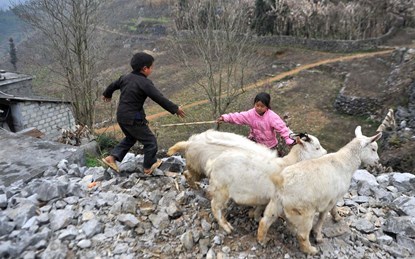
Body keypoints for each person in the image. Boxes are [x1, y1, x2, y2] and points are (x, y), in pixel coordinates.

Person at [101, 52, 185, 175]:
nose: (152, 69)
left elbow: (113, 85)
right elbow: (159, 98)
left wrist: (107, 94)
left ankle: (112, 157)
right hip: (133, 118)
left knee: (131, 138)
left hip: (121, 116)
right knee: (150, 141)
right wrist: (175, 109)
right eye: (151, 67)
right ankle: (148, 166)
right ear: (145, 68)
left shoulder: (124, 77)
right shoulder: (144, 83)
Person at [216, 92, 294, 150]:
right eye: (257, 105)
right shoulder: (250, 114)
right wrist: (225, 118)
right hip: (255, 142)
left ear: (267, 106)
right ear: (254, 104)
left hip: (270, 146)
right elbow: (238, 117)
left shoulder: (272, 116)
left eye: (262, 106)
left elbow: (282, 129)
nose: (259, 108)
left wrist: (289, 140)